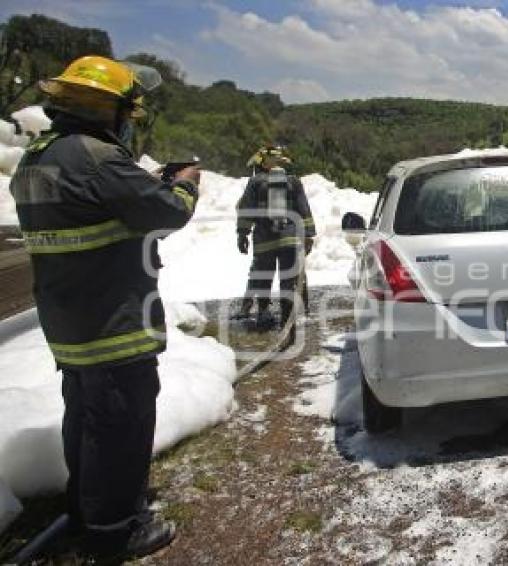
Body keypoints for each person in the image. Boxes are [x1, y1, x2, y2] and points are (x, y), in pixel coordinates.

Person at [10, 56, 199, 561]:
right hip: (111, 320)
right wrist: (184, 184)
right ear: (112, 112)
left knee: (87, 420)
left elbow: (100, 208)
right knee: (121, 427)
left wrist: (142, 182)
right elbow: (167, 212)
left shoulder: (39, 157)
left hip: (69, 321)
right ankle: (116, 530)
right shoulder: (98, 158)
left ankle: (85, 509)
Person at [235, 145, 315, 328]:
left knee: (263, 277)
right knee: (288, 279)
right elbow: (304, 210)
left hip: (264, 241)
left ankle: (263, 313)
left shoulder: (255, 182)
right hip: (290, 240)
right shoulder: (294, 182)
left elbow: (246, 211)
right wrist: (309, 235)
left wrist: (242, 234)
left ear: (261, 164)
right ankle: (287, 318)